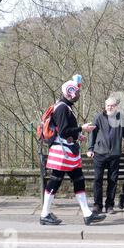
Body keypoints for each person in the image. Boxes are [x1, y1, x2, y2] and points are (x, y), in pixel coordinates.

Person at [40, 76, 106, 226]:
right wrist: (81, 128)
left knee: (78, 179)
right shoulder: (62, 108)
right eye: (76, 92)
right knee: (55, 181)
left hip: (67, 151)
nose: (78, 95)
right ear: (69, 93)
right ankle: (44, 214)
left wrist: (77, 135)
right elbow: (63, 131)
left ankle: (87, 214)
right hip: (62, 152)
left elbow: (65, 131)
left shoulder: (64, 107)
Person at [87, 97, 124, 214]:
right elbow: (92, 134)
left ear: (116, 106)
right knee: (97, 180)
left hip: (114, 155)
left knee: (112, 180)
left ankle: (109, 205)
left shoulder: (121, 118)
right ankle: (97, 205)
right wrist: (90, 148)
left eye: (112, 105)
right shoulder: (98, 117)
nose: (110, 107)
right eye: (108, 105)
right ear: (105, 106)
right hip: (99, 153)